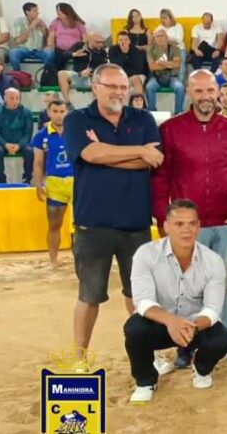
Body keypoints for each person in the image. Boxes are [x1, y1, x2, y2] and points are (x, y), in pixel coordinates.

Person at [151, 69, 227, 365]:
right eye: (199, 91)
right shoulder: (170, 129)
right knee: (186, 285)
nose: (206, 97)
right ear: (188, 92)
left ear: (217, 91)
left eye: (210, 90)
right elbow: (161, 177)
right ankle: (187, 339)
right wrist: (162, 218)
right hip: (187, 225)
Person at [63, 63, 162, 368]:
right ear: (95, 88)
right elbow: (90, 154)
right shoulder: (77, 119)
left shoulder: (143, 118)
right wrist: (137, 150)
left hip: (136, 223)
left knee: (139, 296)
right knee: (89, 295)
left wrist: (105, 152)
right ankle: (79, 359)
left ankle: (149, 357)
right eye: (112, 86)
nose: (119, 92)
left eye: (123, 87)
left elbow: (152, 159)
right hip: (92, 224)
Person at [125, 199, 227, 403]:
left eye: (192, 224)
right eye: (179, 224)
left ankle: (201, 368)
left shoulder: (213, 260)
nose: (186, 230)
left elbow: (213, 308)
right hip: (159, 323)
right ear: (166, 226)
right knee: (134, 329)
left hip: (194, 326)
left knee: (221, 338)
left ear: (199, 226)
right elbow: (143, 302)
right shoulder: (146, 254)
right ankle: (145, 381)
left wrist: (193, 327)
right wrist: (171, 321)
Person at [31, 99, 72, 268]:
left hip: (76, 181)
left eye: (62, 111)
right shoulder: (41, 135)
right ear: (48, 112)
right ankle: (53, 260)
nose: (59, 115)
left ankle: (85, 260)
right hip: (54, 183)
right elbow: (38, 162)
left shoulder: (75, 131)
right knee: (54, 224)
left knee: (84, 225)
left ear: (66, 112)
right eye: (55, 111)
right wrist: (38, 184)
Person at [59, 33, 108, 103]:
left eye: (102, 42)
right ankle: (68, 102)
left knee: (97, 78)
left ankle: (95, 104)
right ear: (89, 40)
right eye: (97, 42)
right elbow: (63, 55)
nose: (100, 44)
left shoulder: (102, 52)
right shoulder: (79, 46)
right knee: (61, 74)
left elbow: (103, 68)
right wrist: (74, 54)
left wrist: (92, 72)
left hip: (91, 78)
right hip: (77, 75)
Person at [145, 29, 186, 113]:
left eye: (162, 36)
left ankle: (178, 112)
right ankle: (152, 112)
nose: (159, 38)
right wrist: (169, 64)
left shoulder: (175, 48)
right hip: (156, 77)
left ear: (167, 37)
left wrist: (161, 62)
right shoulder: (151, 49)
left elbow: (176, 64)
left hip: (172, 77)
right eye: (157, 37)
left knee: (180, 87)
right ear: (154, 39)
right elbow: (152, 67)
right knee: (149, 87)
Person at [0, 88, 33, 183]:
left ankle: (27, 178)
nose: (15, 101)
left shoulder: (26, 112)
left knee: (30, 151)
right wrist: (5, 144)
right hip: (2, 143)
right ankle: (0, 180)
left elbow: (27, 134)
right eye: (12, 98)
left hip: (20, 143)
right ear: (5, 98)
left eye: (17, 98)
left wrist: (19, 145)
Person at [9, 1, 53, 70]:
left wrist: (45, 29)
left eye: (37, 10)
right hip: (24, 49)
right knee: (13, 53)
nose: (38, 13)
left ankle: (47, 74)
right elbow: (18, 41)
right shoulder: (18, 22)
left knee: (49, 53)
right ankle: (17, 74)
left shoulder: (40, 21)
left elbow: (48, 40)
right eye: (35, 11)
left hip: (39, 50)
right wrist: (31, 27)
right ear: (27, 12)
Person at [47, 3, 87, 72]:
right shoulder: (55, 22)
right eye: (57, 10)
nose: (58, 12)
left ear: (66, 11)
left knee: (80, 56)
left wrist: (83, 48)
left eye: (60, 10)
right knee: (57, 56)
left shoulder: (77, 23)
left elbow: (85, 38)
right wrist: (49, 46)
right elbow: (51, 36)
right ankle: (58, 74)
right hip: (60, 49)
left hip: (75, 48)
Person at [155, 9, 187, 81]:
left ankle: (180, 82)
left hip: (179, 49)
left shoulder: (178, 26)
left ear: (170, 17)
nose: (163, 20)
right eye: (162, 18)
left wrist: (164, 40)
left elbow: (178, 40)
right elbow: (155, 39)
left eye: (165, 18)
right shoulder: (160, 27)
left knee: (181, 62)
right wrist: (166, 40)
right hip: (164, 49)